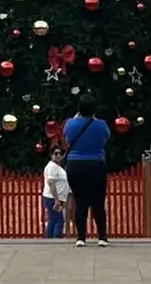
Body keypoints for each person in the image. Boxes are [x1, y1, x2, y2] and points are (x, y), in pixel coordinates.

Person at [62, 103, 112, 246]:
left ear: (79, 109)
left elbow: (67, 139)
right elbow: (105, 139)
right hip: (96, 163)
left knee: (80, 201)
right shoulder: (101, 125)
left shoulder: (70, 124)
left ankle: (81, 238)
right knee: (98, 201)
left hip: (75, 164)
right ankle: (102, 237)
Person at [42, 146, 72, 238]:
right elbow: (51, 183)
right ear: (51, 155)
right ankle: (56, 239)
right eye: (56, 153)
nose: (58, 155)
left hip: (58, 198)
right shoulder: (52, 167)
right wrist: (56, 200)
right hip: (53, 198)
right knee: (59, 220)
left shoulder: (57, 167)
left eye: (60, 153)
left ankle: (49, 238)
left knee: (53, 219)